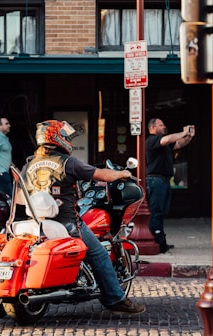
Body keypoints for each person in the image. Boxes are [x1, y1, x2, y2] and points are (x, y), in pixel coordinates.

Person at [21, 120, 145, 316]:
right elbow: (100, 174)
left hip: (38, 223)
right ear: (56, 138)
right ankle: (116, 298)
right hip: (67, 223)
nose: (67, 139)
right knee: (99, 255)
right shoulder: (67, 162)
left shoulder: (30, 164)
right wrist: (121, 174)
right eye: (64, 135)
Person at [146, 118, 195, 253]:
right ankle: (156, 242)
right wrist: (183, 132)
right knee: (156, 212)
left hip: (164, 180)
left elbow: (178, 144)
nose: (164, 127)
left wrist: (189, 137)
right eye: (161, 125)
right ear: (153, 128)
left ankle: (161, 240)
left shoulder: (163, 143)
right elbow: (168, 139)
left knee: (161, 212)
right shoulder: (152, 140)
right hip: (155, 180)